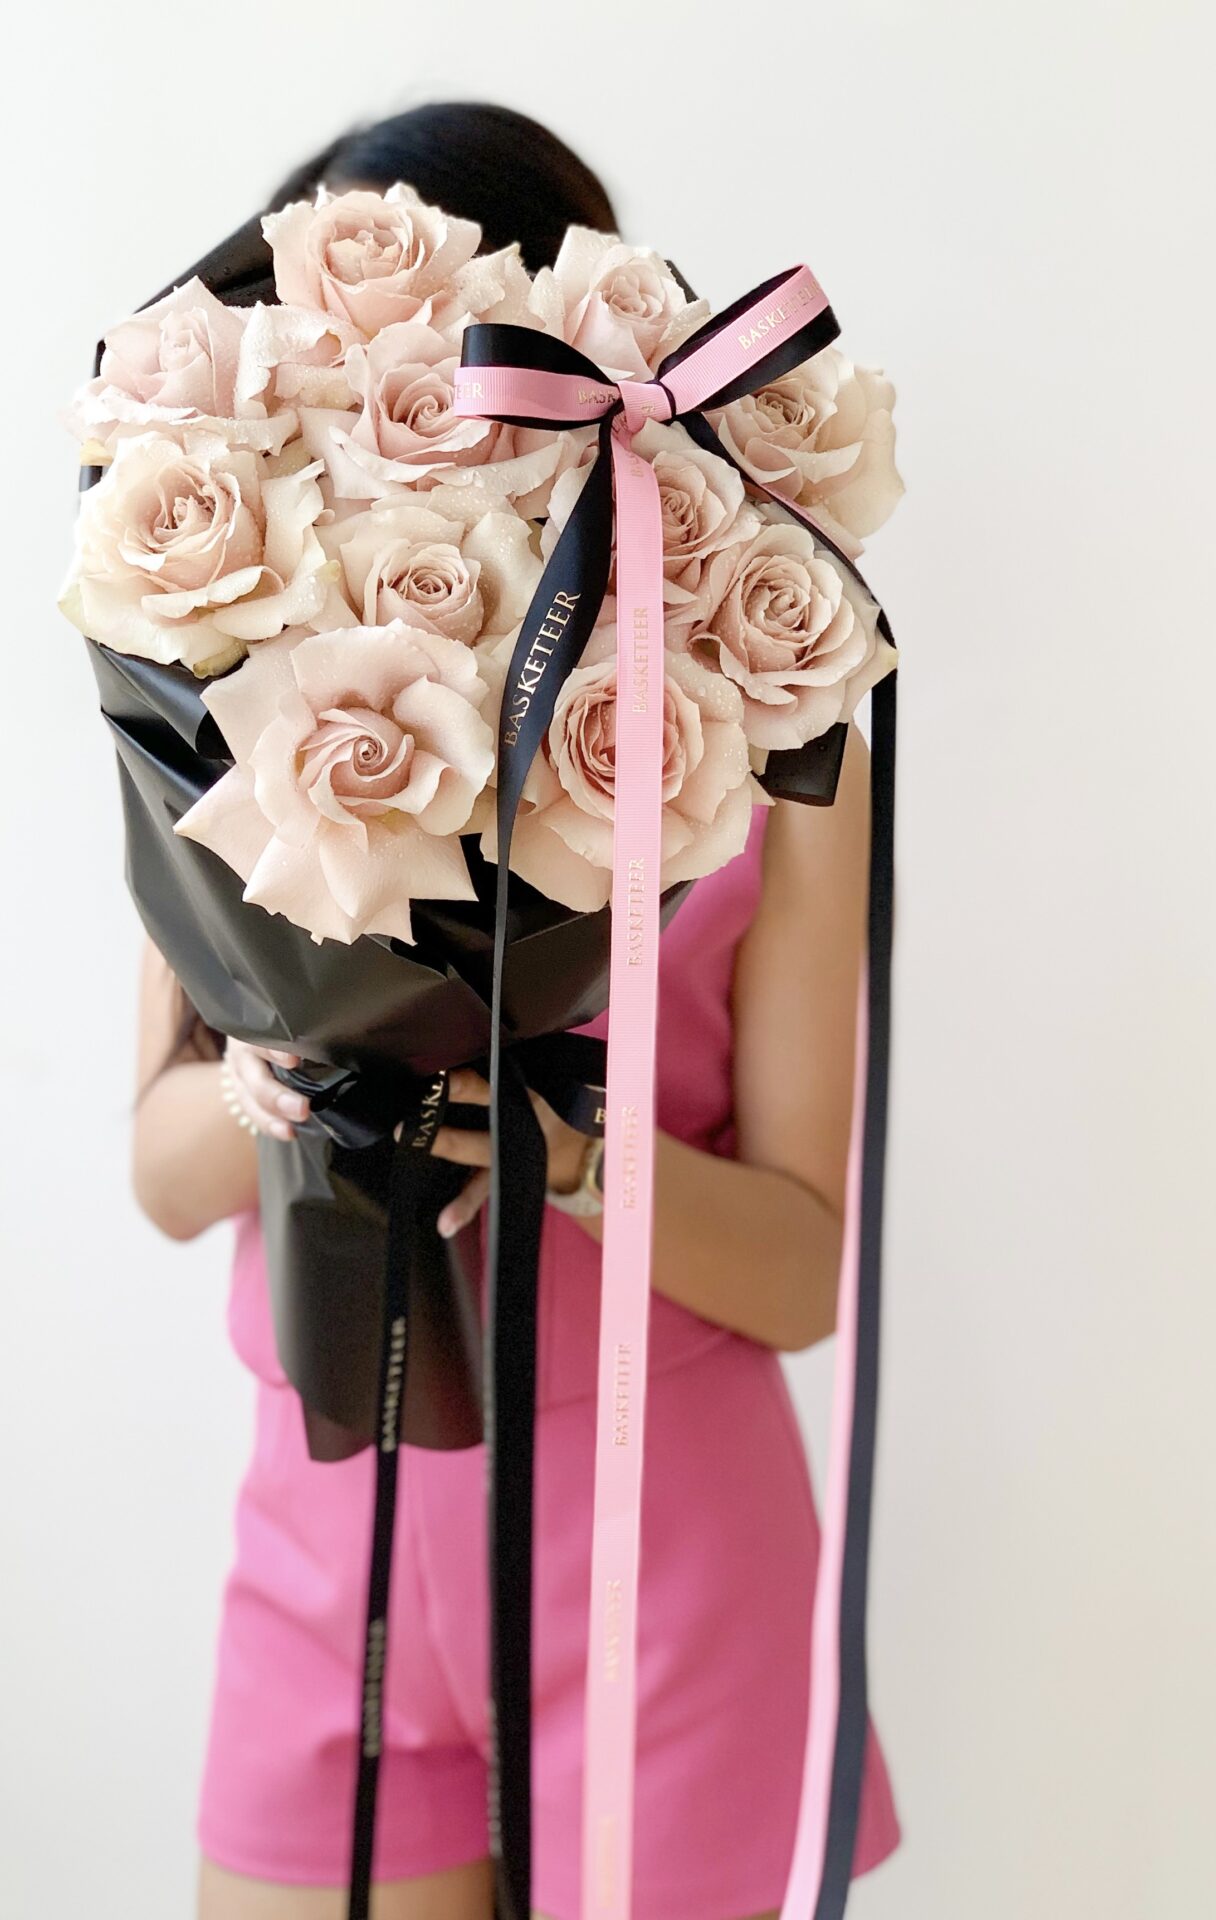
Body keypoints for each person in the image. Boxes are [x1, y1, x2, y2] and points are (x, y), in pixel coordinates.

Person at [131, 101, 901, 1920]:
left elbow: (799, 1272)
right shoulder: (224, 708)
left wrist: (569, 1155)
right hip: (332, 1538)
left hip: (665, 1557)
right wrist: (278, 1072)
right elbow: (162, 1175)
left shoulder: (773, 731)